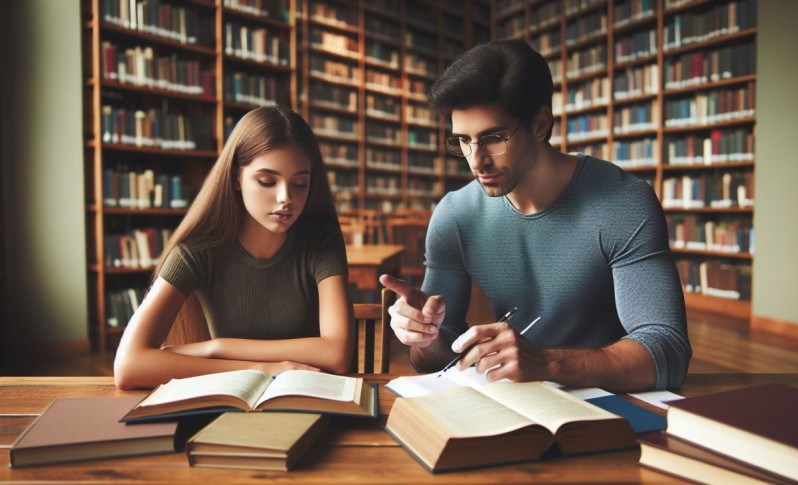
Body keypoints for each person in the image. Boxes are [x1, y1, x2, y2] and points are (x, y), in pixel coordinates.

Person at [380, 40, 691, 392]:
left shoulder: (622, 202)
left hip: (610, 402)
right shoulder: (454, 215)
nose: (476, 160)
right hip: (513, 401)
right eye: (463, 141)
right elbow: (435, 358)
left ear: (540, 124)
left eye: (493, 138)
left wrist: (545, 363)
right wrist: (424, 337)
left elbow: (668, 350)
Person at [114, 106, 352, 389]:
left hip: (306, 394)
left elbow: (337, 354)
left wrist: (218, 347)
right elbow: (128, 366)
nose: (285, 198)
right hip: (230, 396)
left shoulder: (320, 239)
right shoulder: (196, 252)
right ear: (236, 177)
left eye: (300, 183)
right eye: (267, 181)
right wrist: (263, 368)